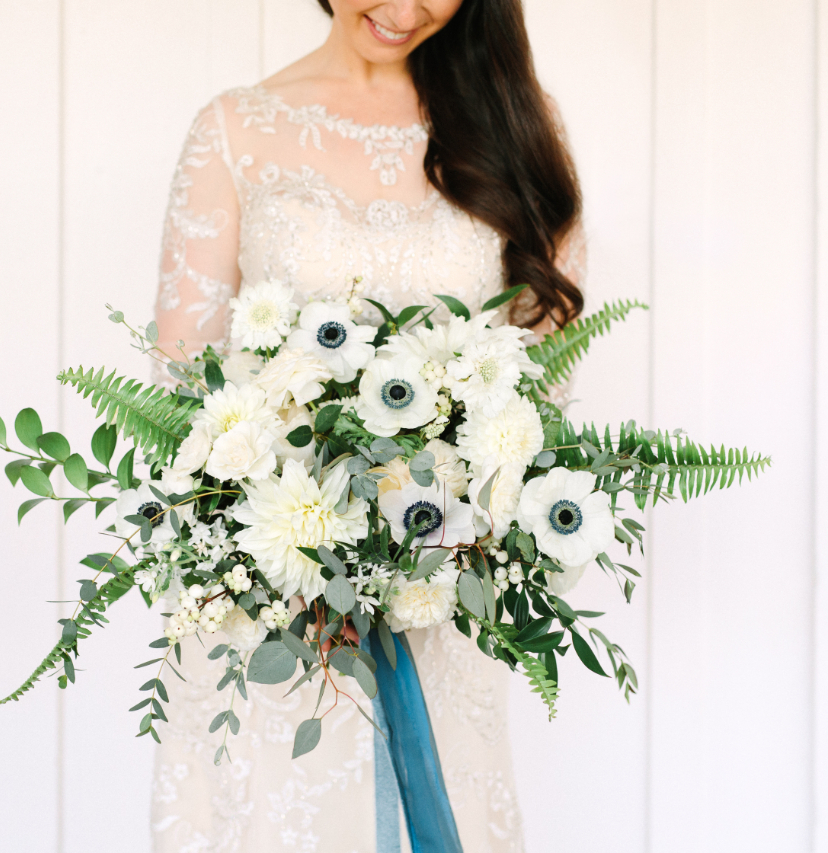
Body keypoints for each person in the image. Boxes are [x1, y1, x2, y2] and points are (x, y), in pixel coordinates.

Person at [151, 1, 585, 850]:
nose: (404, 7)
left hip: (446, 585)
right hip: (277, 604)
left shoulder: (511, 119)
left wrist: (457, 528)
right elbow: (182, 393)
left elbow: (544, 385)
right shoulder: (234, 130)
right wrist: (289, 541)